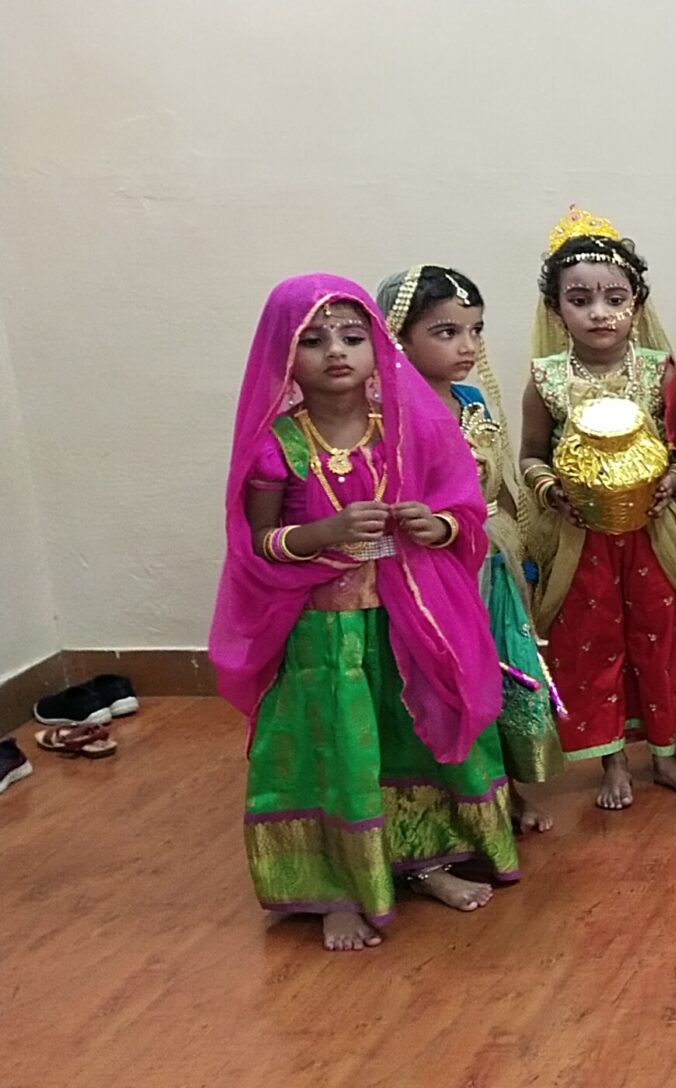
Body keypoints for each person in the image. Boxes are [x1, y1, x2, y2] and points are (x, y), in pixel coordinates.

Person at [213, 275, 517, 951]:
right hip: (322, 637)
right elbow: (257, 544)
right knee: (338, 753)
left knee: (413, 735)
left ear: (379, 346)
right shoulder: (277, 446)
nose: (336, 352)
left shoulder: (409, 429)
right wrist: (323, 534)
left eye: (352, 337)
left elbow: (463, 509)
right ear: (282, 355)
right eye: (313, 340)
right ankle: (338, 888)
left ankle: (427, 861)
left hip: (407, 622)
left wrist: (436, 525)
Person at [516, 206, 676, 810]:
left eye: (614, 298)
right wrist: (554, 492)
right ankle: (613, 763)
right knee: (594, 644)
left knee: (662, 638)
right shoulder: (545, 379)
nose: (599, 312)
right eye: (580, 300)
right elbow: (529, 457)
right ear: (557, 310)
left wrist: (673, 483)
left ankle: (666, 756)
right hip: (581, 540)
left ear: (637, 303)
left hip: (656, 533)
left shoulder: (659, 372)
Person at [378, 265, 566, 834]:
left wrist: (520, 550)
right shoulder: (387, 414)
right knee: (451, 682)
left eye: (475, 330)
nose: (468, 346)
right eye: (446, 332)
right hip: (433, 570)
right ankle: (456, 805)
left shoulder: (470, 400)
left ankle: (504, 791)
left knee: (502, 673)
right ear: (397, 336)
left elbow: (498, 484)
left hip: (491, 556)